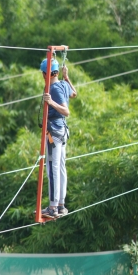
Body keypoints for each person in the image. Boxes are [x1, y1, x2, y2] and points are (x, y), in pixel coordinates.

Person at [39, 57, 77, 219]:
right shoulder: (62, 84)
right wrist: (66, 77)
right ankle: (60, 204)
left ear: (45, 74)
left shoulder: (54, 88)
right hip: (61, 131)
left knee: (53, 168)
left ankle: (53, 206)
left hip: (54, 131)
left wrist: (51, 102)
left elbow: (66, 111)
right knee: (60, 167)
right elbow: (74, 93)